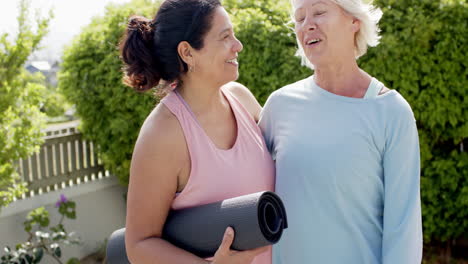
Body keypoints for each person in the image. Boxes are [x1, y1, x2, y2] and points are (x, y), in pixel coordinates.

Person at [259, 0, 422, 263]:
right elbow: (245, 183)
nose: (307, 25)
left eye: (320, 12)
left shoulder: (391, 112)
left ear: (354, 22)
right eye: (299, 18)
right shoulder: (280, 105)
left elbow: (403, 230)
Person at [120, 0, 275, 263]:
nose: (238, 45)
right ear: (188, 53)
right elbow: (139, 244)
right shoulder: (163, 134)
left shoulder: (241, 99)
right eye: (225, 37)